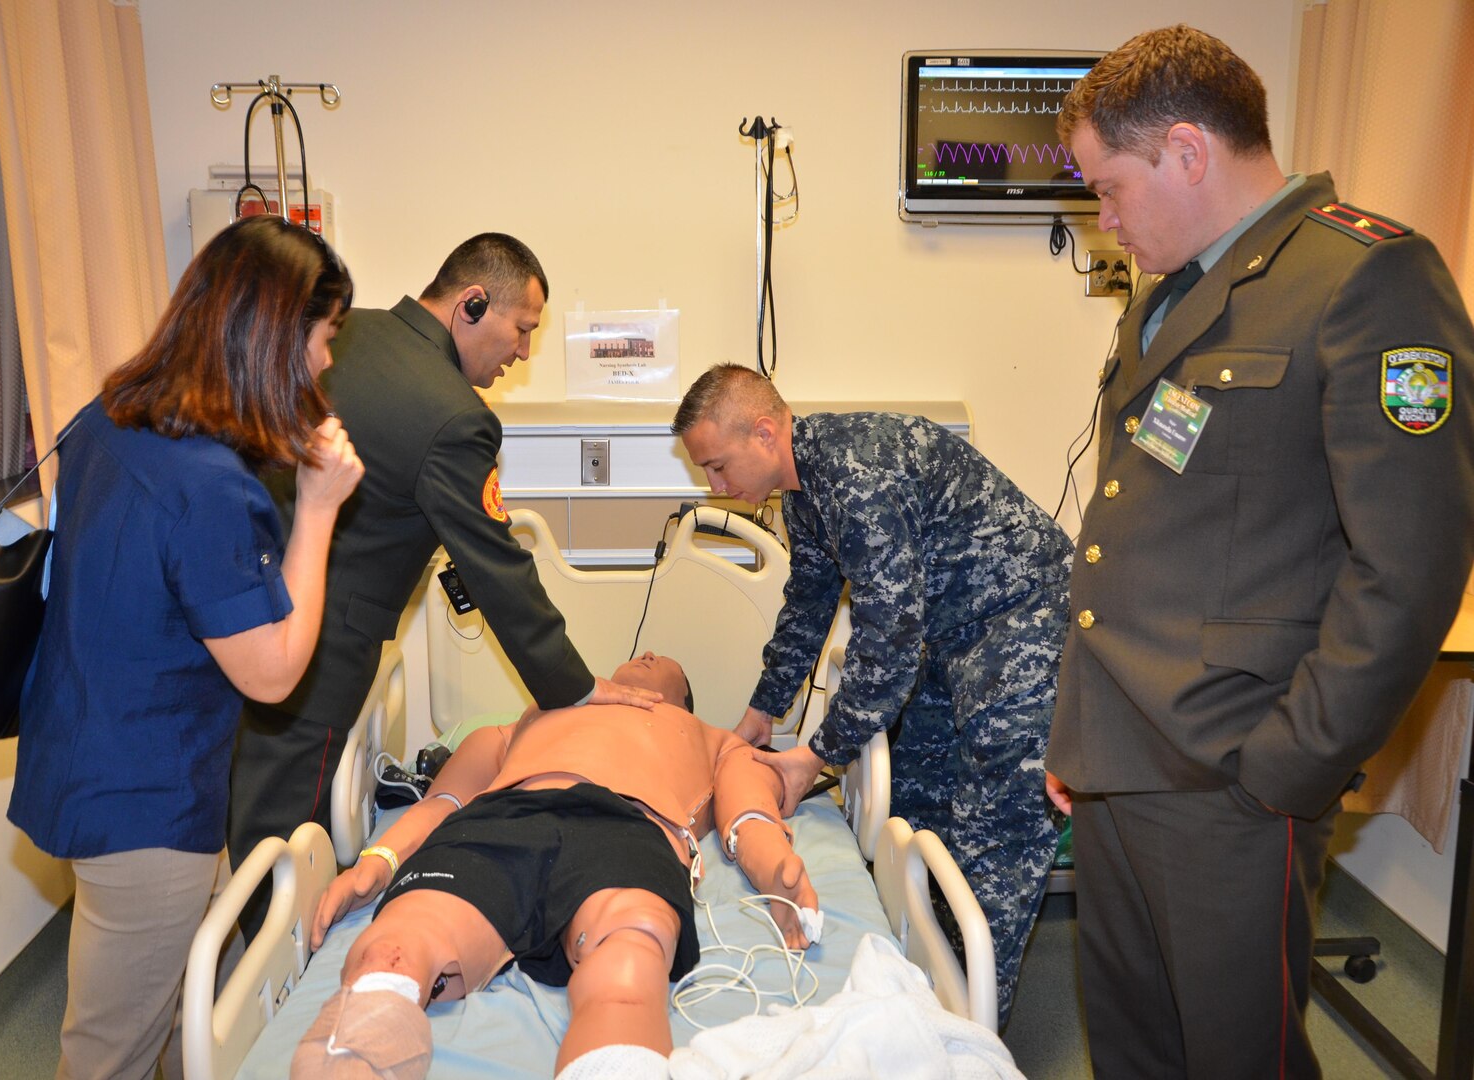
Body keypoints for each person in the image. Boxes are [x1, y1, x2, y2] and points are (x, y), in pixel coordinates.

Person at [1046, 25, 1474, 1078]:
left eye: (1107, 190)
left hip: (1233, 767)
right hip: (1118, 753)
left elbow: (1408, 566)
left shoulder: (1367, 279)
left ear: (1186, 152)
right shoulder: (1168, 295)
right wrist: (1080, 734)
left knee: (1239, 1056)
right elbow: (1142, 521)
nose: (1102, 222)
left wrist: (1288, 766)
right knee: (1134, 1045)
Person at [7, 215, 365, 1080]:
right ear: (273, 335)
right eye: (323, 339)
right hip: (145, 800)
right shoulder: (206, 486)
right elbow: (274, 672)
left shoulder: (110, 420)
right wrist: (316, 512)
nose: (324, 364)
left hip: (88, 750)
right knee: (110, 1052)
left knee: (179, 1025)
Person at [228, 233, 660, 939]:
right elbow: (497, 569)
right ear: (471, 303)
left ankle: (239, 965)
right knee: (284, 824)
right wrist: (577, 688)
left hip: (243, 607)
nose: (522, 352)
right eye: (521, 329)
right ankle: (267, 973)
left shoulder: (342, 334)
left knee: (242, 803)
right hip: (323, 646)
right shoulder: (454, 416)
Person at [671, 364, 1072, 1026]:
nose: (716, 487)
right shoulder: (803, 488)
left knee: (989, 841)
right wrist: (758, 715)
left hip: (1023, 629)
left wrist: (814, 756)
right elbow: (807, 604)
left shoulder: (859, 478)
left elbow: (886, 639)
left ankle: (969, 1033)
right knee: (911, 802)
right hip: (952, 640)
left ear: (765, 432)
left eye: (717, 467)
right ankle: (919, 974)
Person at [294, 652, 815, 1080]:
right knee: (388, 954)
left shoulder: (710, 735)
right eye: (639, 654)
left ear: (682, 700)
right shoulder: (538, 712)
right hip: (501, 819)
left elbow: (749, 816)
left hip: (627, 827)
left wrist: (776, 871)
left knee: (630, 961)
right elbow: (445, 803)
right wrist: (380, 860)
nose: (650, 655)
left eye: (669, 666)